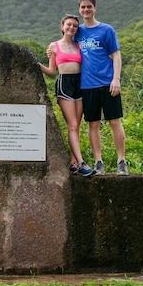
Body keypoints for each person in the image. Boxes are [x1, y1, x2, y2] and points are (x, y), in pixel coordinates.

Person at [75, 0, 128, 174]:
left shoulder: (106, 30)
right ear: (79, 9)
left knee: (114, 121)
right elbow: (65, 44)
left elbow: (116, 55)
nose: (86, 10)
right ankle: (98, 162)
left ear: (95, 8)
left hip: (108, 83)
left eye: (89, 7)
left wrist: (116, 79)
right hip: (87, 85)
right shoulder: (78, 32)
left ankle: (122, 161)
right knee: (93, 124)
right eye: (83, 7)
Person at [39, 14, 96, 176]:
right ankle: (81, 163)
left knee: (77, 126)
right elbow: (51, 72)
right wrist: (34, 63)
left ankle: (73, 163)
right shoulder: (54, 46)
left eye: (75, 26)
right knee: (71, 125)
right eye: (68, 25)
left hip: (81, 84)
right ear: (62, 26)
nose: (71, 28)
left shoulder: (79, 45)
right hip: (65, 85)